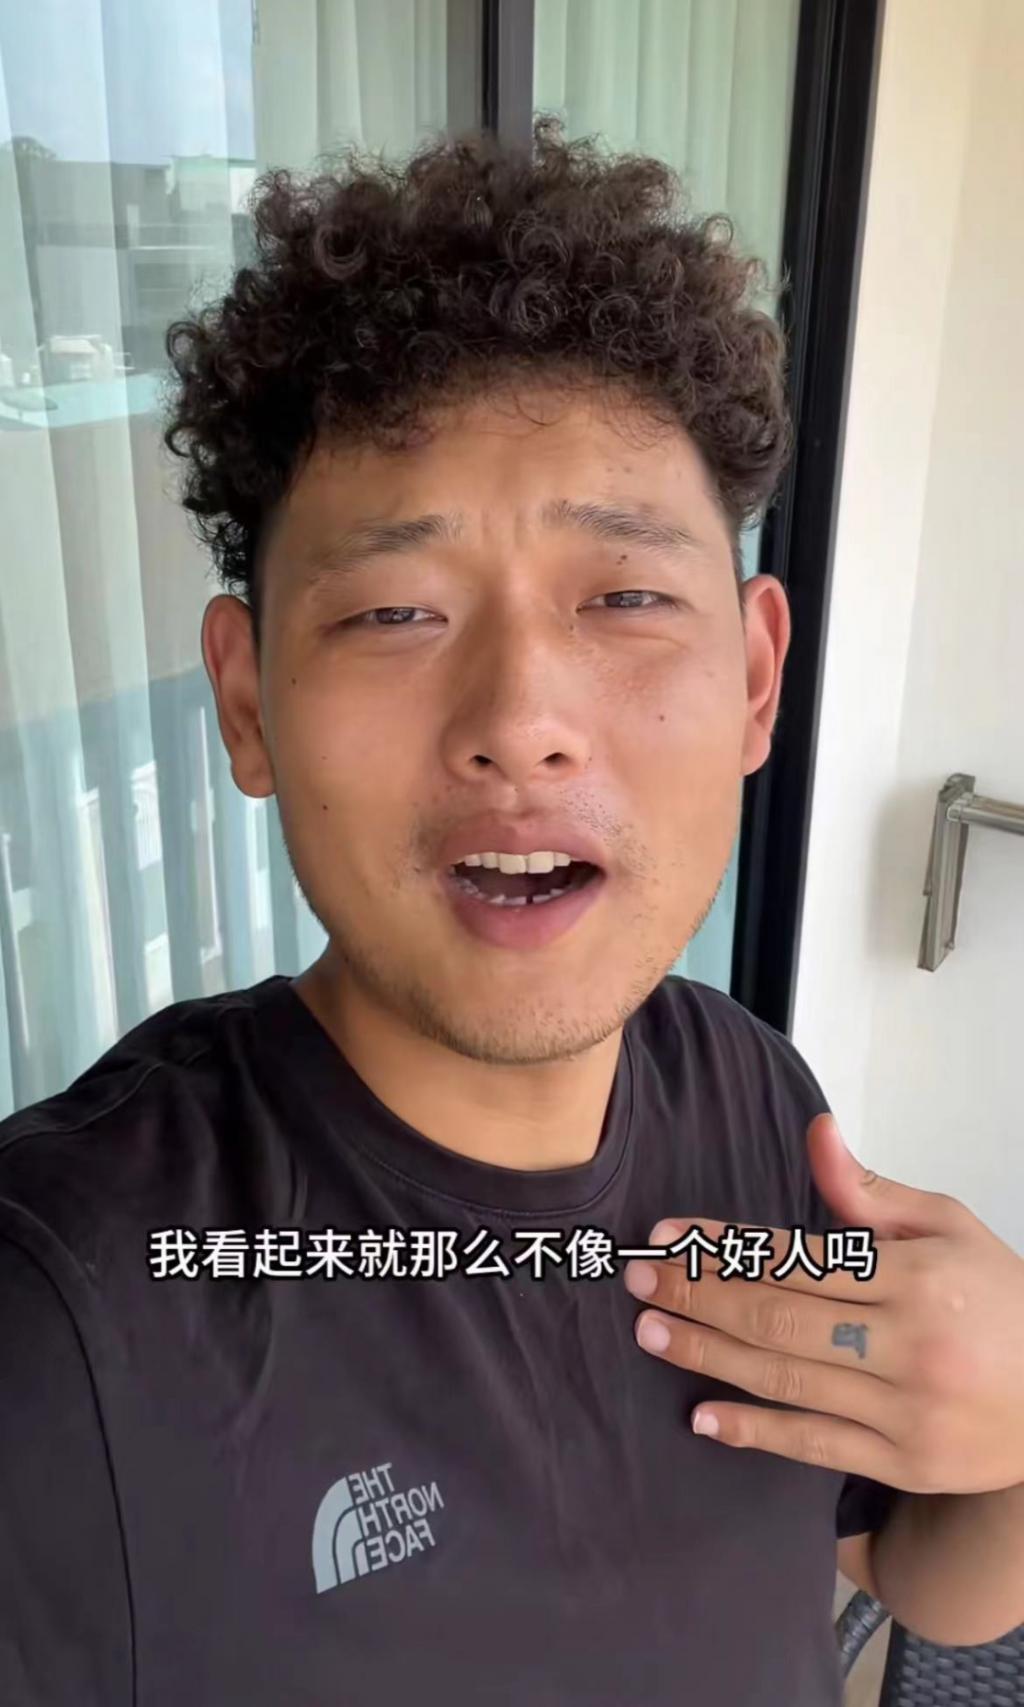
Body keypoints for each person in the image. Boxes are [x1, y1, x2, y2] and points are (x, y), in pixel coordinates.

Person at [2, 119, 1023, 1707]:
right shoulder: (67, 1321)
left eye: (625, 598)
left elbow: (896, 1572)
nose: (523, 722)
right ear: (248, 701)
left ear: (756, 678)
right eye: (395, 611)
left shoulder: (757, 1098)